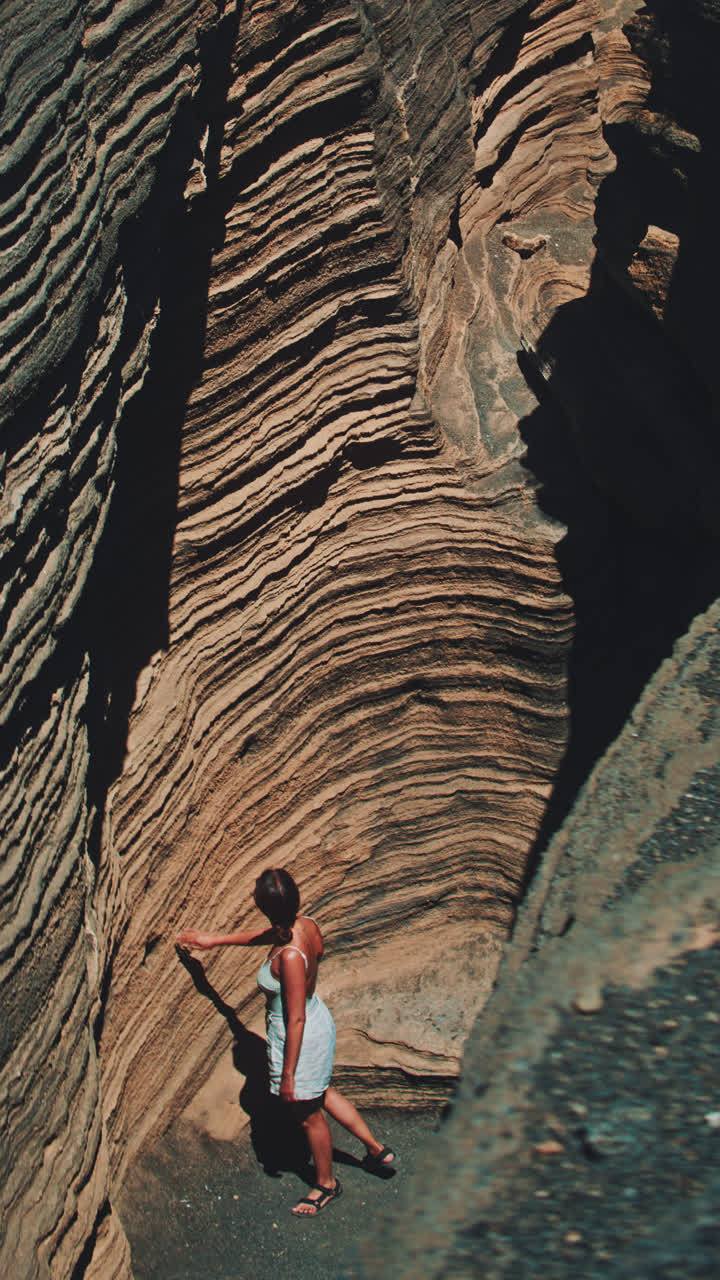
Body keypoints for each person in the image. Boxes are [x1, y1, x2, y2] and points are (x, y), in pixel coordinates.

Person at [176, 867, 396, 1215]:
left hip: (299, 1034)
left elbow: (295, 1019)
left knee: (309, 1114)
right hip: (315, 1019)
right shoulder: (305, 924)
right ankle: (375, 1148)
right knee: (323, 1093)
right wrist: (213, 940)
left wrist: (289, 1075)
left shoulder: (290, 956)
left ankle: (326, 1184)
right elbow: (276, 938)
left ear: (267, 909)